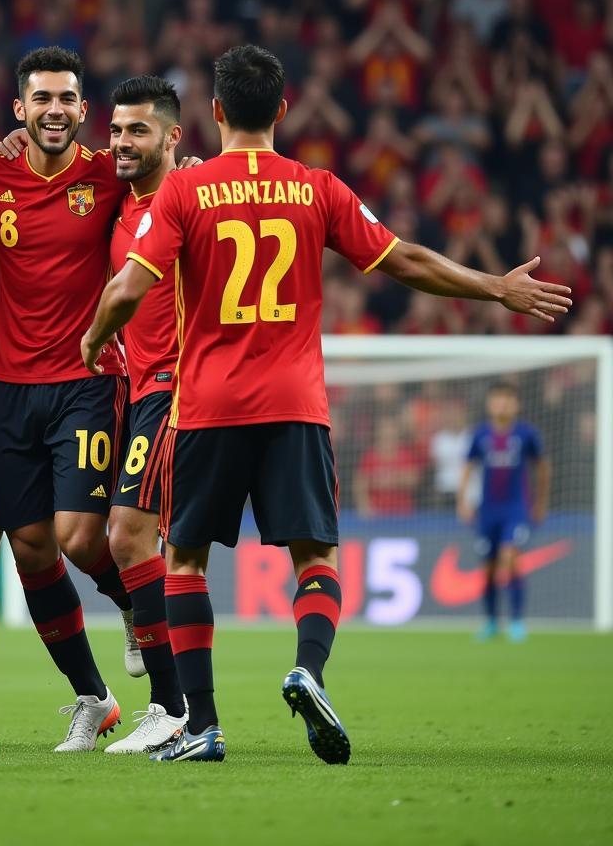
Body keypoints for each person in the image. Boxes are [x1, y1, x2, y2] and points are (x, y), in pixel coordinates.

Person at [81, 44, 572, 763]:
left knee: (182, 562)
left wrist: (95, 340)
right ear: (283, 110)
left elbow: (127, 289)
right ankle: (308, 669)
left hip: (207, 405)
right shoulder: (317, 187)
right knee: (316, 557)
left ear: (215, 112)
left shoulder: (184, 193)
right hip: (296, 405)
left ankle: (204, 726)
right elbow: (404, 259)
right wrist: (494, 286)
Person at [0, 46, 130, 751]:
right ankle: (94, 698)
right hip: (7, 389)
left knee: (77, 535)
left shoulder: (107, 172)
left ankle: (138, 613)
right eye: (42, 99)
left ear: (82, 111)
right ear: (20, 109)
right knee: (29, 548)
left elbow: (169, 191)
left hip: (86, 380)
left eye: (67, 99)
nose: (54, 110)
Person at [100, 75, 188, 754]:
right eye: (117, 130)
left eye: (137, 130)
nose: (122, 142)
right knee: (163, 551)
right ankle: (184, 706)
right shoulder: (115, 196)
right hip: (134, 393)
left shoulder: (189, 198)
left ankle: (169, 706)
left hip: (176, 387)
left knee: (129, 537)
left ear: (171, 136)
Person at [457, 383, 550, 642]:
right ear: (490, 404)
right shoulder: (480, 435)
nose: (503, 405)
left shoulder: (526, 434)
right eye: (498, 400)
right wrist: (462, 501)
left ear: (516, 404)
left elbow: (542, 468)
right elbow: (467, 467)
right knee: (487, 568)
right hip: (487, 511)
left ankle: (517, 621)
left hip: (516, 510)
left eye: (508, 400)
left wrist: (541, 503)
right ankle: (490, 622)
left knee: (510, 559)